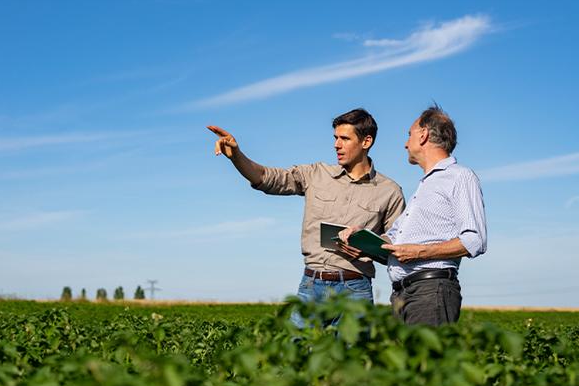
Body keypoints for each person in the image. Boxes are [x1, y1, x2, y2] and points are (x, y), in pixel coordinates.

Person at [208, 109, 405, 327]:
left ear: (366, 141)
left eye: (345, 139)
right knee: (297, 354)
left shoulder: (390, 191)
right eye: (335, 138)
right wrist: (236, 156)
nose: (336, 145)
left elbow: (398, 246)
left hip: (355, 289)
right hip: (311, 285)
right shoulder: (315, 174)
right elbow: (266, 178)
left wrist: (368, 247)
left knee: (353, 358)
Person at [339, 104, 486, 326]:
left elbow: (475, 239)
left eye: (409, 135)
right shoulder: (425, 186)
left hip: (430, 292)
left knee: (426, 362)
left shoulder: (460, 177)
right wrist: (364, 240)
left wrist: (420, 252)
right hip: (404, 294)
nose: (405, 143)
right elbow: (395, 240)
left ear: (424, 135)